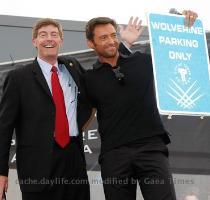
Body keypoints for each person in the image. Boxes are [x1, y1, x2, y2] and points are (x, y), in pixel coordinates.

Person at [0, 18, 142, 200]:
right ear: (34, 41)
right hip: (37, 168)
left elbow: (101, 78)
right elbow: (4, 128)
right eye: (43, 35)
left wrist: (125, 44)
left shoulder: (72, 67)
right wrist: (1, 172)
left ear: (61, 40)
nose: (49, 39)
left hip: (74, 161)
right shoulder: (18, 77)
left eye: (54, 34)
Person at [83, 11, 198, 200]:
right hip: (114, 155)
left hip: (151, 148)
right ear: (91, 43)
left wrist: (184, 27)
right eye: (103, 37)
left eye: (113, 35)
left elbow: (177, 55)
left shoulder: (143, 62)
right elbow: (80, 113)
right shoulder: (89, 78)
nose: (111, 41)